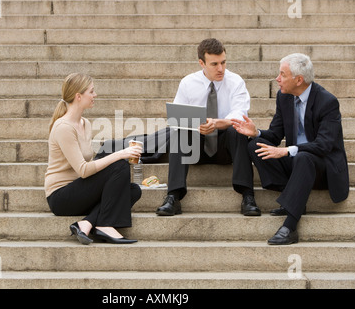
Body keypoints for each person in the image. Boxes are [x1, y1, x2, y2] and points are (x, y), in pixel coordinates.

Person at [232, 53, 349, 245]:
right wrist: (256, 133)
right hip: (297, 164)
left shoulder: (327, 102)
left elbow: (324, 145)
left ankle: (290, 226)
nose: (277, 79)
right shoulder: (284, 97)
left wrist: (287, 151)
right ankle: (293, 194)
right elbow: (275, 135)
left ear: (298, 80)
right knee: (255, 146)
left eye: (282, 75)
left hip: (322, 166)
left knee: (303, 157)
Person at [156, 38, 260, 217]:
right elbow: (177, 117)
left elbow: (240, 115)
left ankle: (247, 195)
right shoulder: (188, 83)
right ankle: (173, 196)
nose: (220, 69)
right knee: (179, 131)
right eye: (214, 64)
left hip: (225, 147)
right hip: (196, 147)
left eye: (223, 62)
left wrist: (215, 123)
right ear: (201, 63)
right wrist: (198, 126)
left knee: (237, 129)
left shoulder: (235, 82)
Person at [45, 73, 143, 245]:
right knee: (119, 164)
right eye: (91, 91)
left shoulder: (85, 123)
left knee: (133, 190)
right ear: (78, 96)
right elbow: (83, 170)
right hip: (61, 196)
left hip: (80, 190)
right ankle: (105, 224)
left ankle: (87, 223)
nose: (95, 95)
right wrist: (121, 154)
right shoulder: (64, 127)